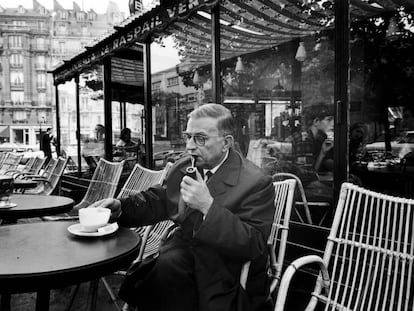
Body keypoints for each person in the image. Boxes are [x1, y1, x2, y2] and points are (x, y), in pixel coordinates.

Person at [91, 104, 275, 311]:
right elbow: (160, 199)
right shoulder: (186, 165)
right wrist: (122, 207)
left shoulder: (255, 182)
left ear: (226, 143)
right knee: (165, 269)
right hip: (180, 259)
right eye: (188, 136)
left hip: (226, 269)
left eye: (200, 138)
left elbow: (255, 245)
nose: (189, 146)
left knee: (164, 272)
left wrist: (208, 207)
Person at [291, 102, 334, 185]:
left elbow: (311, 171)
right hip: (298, 189)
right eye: (329, 119)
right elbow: (306, 177)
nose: (333, 123)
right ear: (316, 121)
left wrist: (322, 153)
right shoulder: (304, 139)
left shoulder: (315, 138)